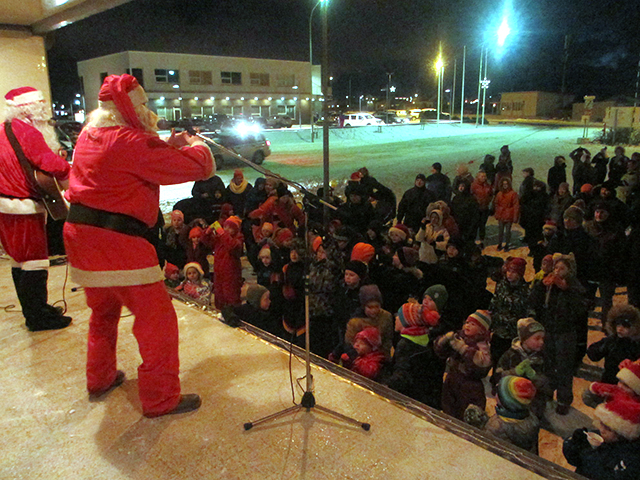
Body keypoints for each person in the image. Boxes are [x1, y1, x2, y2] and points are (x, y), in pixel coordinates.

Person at [63, 74, 211, 417]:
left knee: (103, 312)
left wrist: (165, 146)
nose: (149, 111)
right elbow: (196, 166)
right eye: (143, 104)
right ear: (129, 107)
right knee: (156, 321)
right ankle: (160, 398)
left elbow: (128, 164)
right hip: (118, 242)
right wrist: (195, 145)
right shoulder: (129, 141)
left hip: (82, 239)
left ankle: (98, 377)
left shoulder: (90, 135)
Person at [0, 86, 73, 331]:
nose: (45, 110)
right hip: (21, 204)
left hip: (5, 204)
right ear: (30, 108)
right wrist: (72, 170)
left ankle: (33, 310)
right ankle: (38, 317)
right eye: (41, 105)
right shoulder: (27, 131)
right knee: (34, 261)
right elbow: (48, 162)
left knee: (18, 260)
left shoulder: (4, 129)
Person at [529, 253, 587, 415]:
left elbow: (581, 309)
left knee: (564, 367)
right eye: (556, 267)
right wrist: (540, 285)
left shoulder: (575, 286)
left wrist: (566, 289)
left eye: (562, 268)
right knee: (547, 364)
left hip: (566, 333)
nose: (557, 271)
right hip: (548, 329)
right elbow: (534, 301)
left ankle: (563, 399)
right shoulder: (548, 284)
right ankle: (547, 392)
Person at [563, 397, 640, 480]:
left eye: (607, 428)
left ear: (623, 433)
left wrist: (587, 454)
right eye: (601, 424)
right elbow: (574, 460)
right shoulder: (599, 436)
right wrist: (573, 442)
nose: (601, 430)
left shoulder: (631, 459)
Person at [435, 310, 492, 419]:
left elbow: (483, 364)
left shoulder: (482, 344)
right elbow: (440, 352)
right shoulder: (458, 337)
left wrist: (463, 349)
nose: (468, 326)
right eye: (467, 322)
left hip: (470, 388)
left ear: (481, 330)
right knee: (448, 410)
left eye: (473, 324)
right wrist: (444, 340)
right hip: (452, 381)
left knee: (465, 415)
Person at [464, 376, 539, 453]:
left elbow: (485, 446)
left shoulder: (496, 426)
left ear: (506, 402)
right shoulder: (532, 419)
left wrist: (477, 424)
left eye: (498, 392)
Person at [586, 305, 640, 385]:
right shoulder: (611, 341)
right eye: (618, 325)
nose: (620, 329)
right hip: (609, 382)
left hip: (630, 386)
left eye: (625, 326)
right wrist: (602, 348)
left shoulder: (636, 344)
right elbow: (593, 354)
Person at [203, 216, 244, 310]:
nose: (226, 230)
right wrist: (208, 232)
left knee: (231, 296)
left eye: (230, 228)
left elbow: (232, 246)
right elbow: (205, 242)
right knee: (219, 296)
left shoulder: (238, 240)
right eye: (225, 227)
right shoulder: (220, 239)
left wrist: (222, 233)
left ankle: (234, 315)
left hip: (231, 274)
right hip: (219, 273)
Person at [493, 177, 519, 251]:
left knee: (507, 231)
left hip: (509, 214)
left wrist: (515, 216)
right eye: (503, 184)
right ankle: (500, 244)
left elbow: (516, 205)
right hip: (501, 214)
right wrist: (497, 213)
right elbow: (496, 204)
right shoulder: (499, 194)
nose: (505, 185)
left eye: (506, 184)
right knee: (500, 231)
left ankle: (507, 244)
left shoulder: (513, 194)